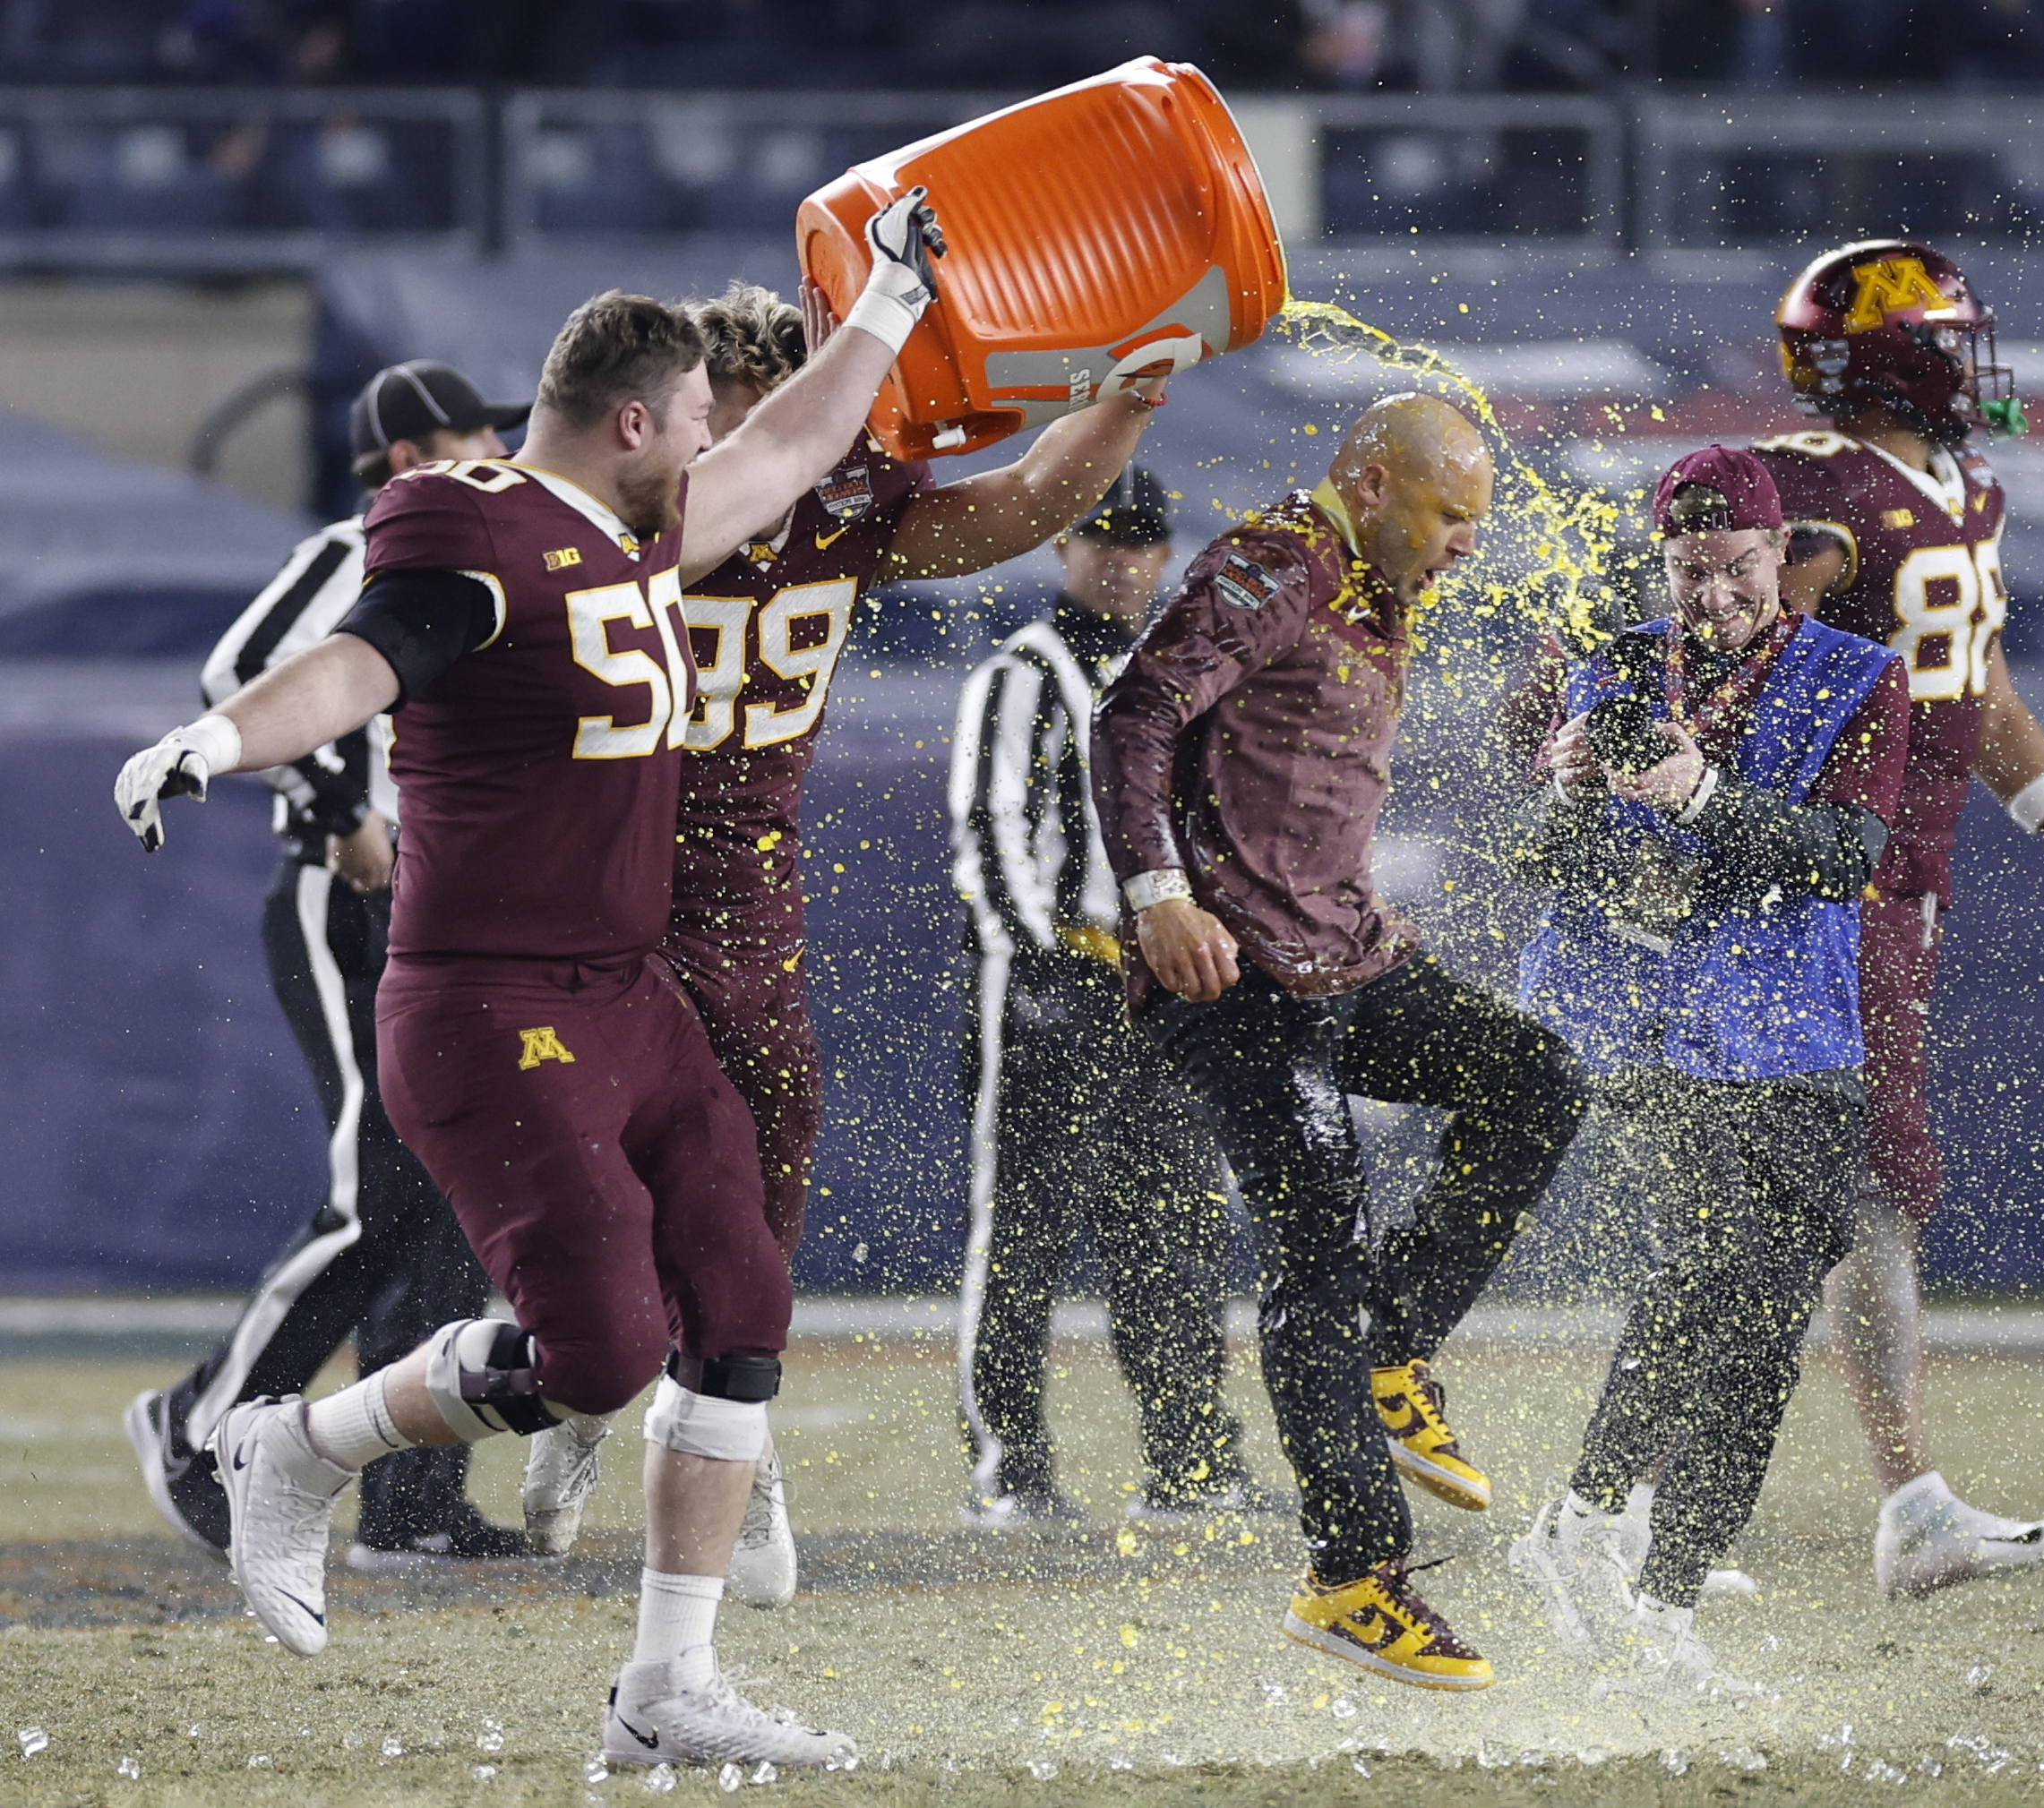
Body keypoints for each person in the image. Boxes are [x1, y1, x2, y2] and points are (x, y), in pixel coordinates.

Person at [108, 191, 945, 1768]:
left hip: (624, 988)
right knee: (602, 1348)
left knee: (740, 1295)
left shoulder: (631, 520)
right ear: (632, 418)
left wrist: (890, 305)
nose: (718, 441)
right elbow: (360, 662)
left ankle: (664, 1687)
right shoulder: (474, 519)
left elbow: (788, 453)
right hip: (492, 1002)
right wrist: (220, 739)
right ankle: (292, 1443)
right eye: (693, 413)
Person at [575, 283, 1174, 1606]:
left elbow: (1021, 501)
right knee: (587, 1166)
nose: (771, 452)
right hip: (588, 872)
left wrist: (1124, 402)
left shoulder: (834, 514)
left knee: (765, 1157)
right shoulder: (614, 507)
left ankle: (729, 1414)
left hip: (741, 887)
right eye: (737, 425)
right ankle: (572, 1381)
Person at [1090, 392, 1589, 1691]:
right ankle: (1354, 1575)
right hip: (1240, 973)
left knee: (1535, 1077)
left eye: (1478, 518)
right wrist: (1156, 895)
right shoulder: (1277, 562)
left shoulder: (1370, 573)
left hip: (1346, 953)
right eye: (1450, 513)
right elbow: (1133, 717)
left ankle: (1395, 1340)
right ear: (1370, 484)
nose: (1468, 542)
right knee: (1320, 1244)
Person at [1755, 238, 2044, 1596]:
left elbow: (1974, 682)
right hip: (1822, 888)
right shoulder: (1814, 496)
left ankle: (1649, 1506)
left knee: (1815, 1193)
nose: (1972, 362)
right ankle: (1891, 1506)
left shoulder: (1961, 485)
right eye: (1947, 339)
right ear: (1893, 358)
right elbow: (1732, 667)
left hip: (1895, 881)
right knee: (1843, 1186)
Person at [1506, 447, 1909, 1694]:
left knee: (1764, 1320)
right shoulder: (1614, 663)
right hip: (1653, 1025)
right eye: (1690, 571)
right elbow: (1535, 856)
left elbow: (1847, 854)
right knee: (1718, 1266)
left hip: (1797, 1030)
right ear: (1662, 564)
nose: (1715, 595)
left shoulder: (1865, 675)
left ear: (1782, 556)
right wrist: (1562, 791)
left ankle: (1664, 1597)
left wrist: (1703, 799)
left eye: (1736, 568)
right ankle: (1581, 1520)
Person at [123, 360, 534, 1571]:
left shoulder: (475, 564)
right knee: (385, 1185)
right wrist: (342, 800)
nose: (493, 451)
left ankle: (414, 1500)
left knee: (455, 1186)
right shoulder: (358, 545)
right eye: (467, 433)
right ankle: (199, 1423)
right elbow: (234, 669)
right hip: (337, 893)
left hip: (437, 907)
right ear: (410, 454)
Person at [947, 467, 1262, 1530]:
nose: (1123, 561)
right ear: (1063, 547)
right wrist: (1042, 963)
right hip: (1057, 979)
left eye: (1141, 541)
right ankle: (1010, 1465)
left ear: (1167, 554)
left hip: (1161, 990)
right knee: (1025, 1231)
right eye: (1103, 540)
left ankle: (1190, 1457)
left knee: (1174, 1226)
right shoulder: (1024, 673)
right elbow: (991, 834)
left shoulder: (1182, 678)